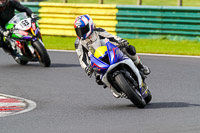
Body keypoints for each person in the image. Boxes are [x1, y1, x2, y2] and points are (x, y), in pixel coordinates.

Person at [74, 14, 150, 85]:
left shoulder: (98, 31)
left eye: (83, 30)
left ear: (90, 26)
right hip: (97, 61)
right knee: (98, 80)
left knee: (129, 49)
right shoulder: (78, 43)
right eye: (78, 31)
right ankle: (116, 88)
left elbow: (112, 37)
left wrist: (121, 41)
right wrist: (87, 68)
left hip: (109, 51)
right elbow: (82, 58)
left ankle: (141, 66)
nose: (81, 33)